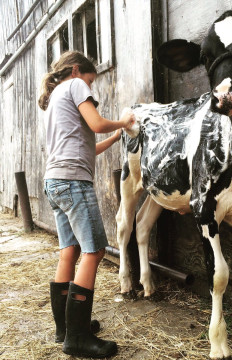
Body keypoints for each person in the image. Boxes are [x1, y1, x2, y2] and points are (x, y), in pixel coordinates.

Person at [38, 50, 136, 358]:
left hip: (54, 181)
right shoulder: (75, 84)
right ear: (77, 70)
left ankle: (64, 328)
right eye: (91, 81)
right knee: (94, 250)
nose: (90, 87)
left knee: (70, 250)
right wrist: (124, 121)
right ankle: (78, 338)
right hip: (72, 182)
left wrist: (118, 135)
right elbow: (95, 124)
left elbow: (89, 145)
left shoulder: (54, 98)